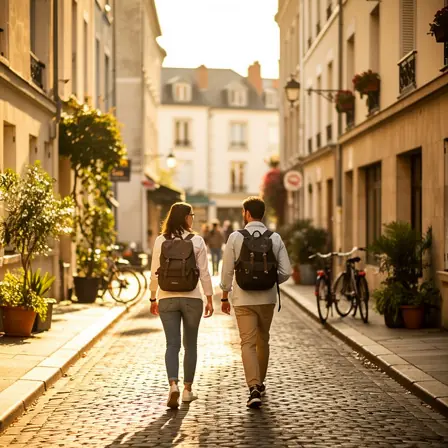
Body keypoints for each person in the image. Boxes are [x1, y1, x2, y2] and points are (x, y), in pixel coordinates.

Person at [220, 196, 291, 408]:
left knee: (247, 344)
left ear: (247, 213)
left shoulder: (235, 237)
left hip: (243, 299)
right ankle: (260, 384)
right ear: (263, 213)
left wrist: (225, 294)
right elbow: (286, 271)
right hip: (267, 298)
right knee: (263, 340)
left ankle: (253, 387)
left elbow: (226, 270)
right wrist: (269, 280)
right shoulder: (275, 237)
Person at [149, 202, 214, 409]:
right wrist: (210, 297)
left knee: (172, 344)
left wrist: (152, 297)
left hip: (166, 296)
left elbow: (154, 271)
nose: (193, 218)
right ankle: (187, 390)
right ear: (186, 218)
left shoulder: (161, 240)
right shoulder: (197, 240)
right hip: (192, 297)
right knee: (190, 345)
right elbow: (204, 272)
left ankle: (173, 385)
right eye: (191, 215)